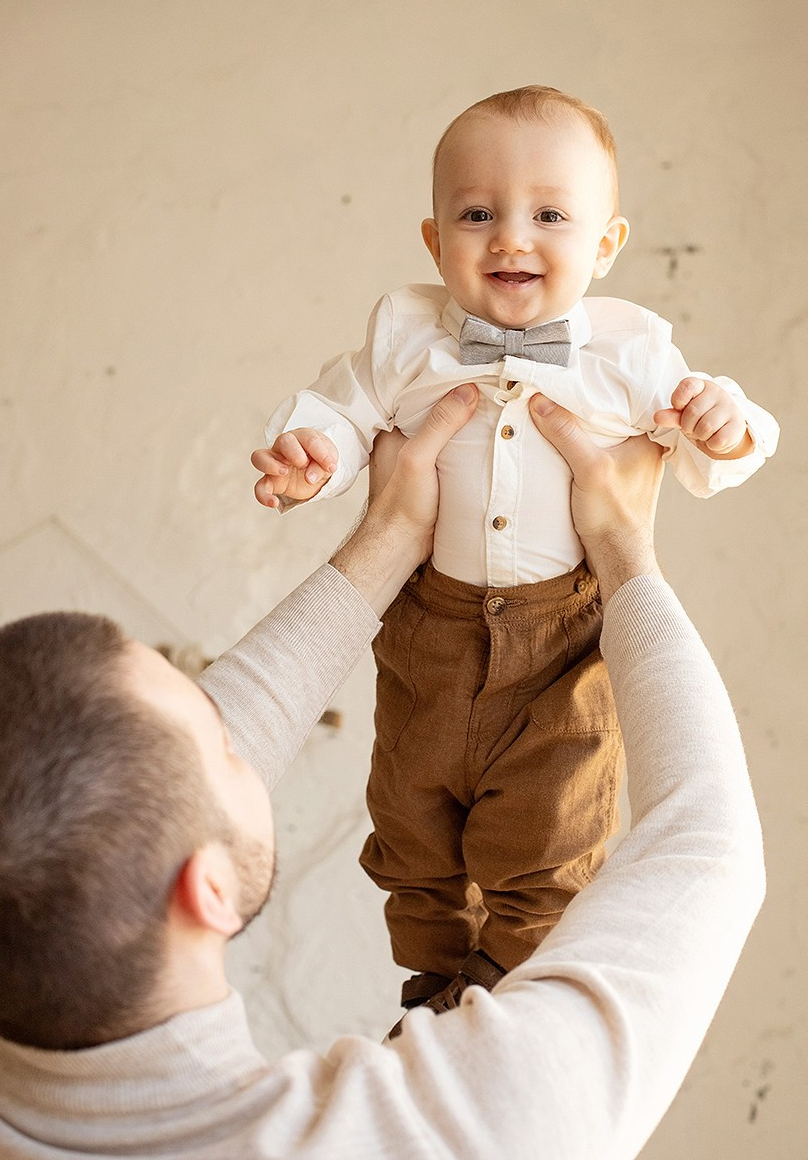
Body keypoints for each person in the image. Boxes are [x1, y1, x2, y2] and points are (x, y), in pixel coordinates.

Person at [0, 385, 764, 1159]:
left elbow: (127, 793)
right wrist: (625, 553)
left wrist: (390, 538)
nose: (239, 734)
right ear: (205, 889)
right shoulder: (474, 1128)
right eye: (220, 742)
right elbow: (708, 847)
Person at [251, 85, 779, 1021]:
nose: (509, 238)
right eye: (476, 214)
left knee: (548, 838)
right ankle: (429, 988)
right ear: (433, 240)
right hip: (426, 634)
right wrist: (312, 455)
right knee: (410, 830)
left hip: (561, 647)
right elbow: (341, 408)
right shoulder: (405, 333)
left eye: (548, 215)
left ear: (605, 245)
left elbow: (715, 449)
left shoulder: (630, 351)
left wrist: (723, 423)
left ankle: (500, 992)